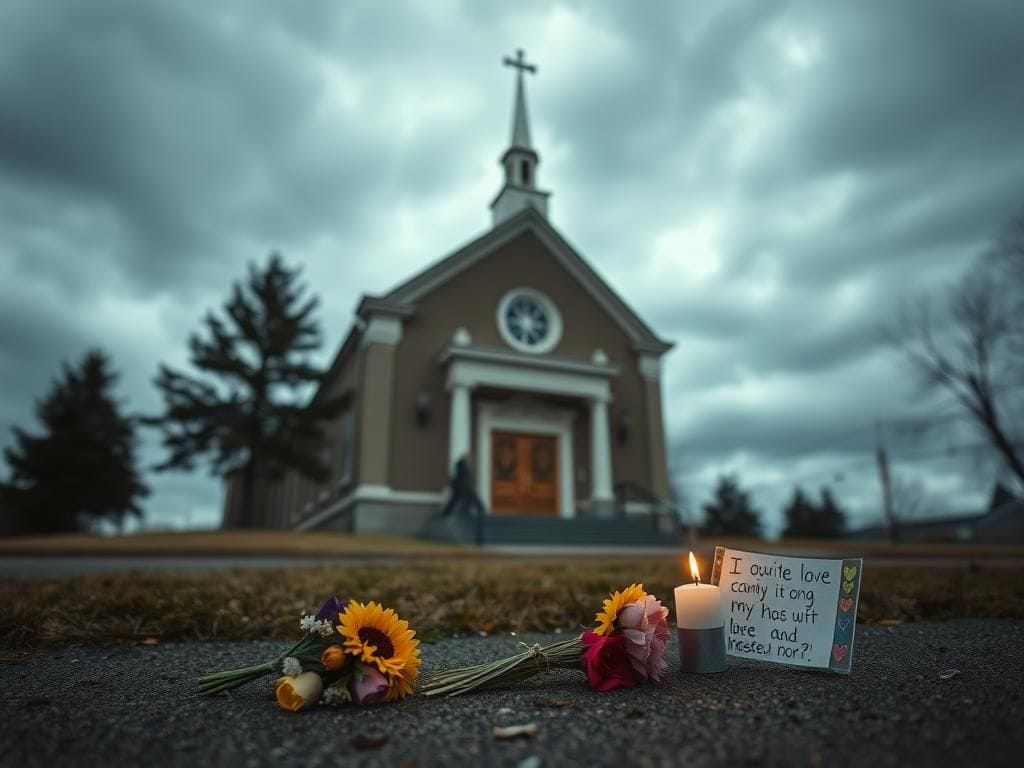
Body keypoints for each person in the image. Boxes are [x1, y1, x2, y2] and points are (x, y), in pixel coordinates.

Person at [442, 452, 485, 519]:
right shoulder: (461, 465)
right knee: (474, 499)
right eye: (468, 457)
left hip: (464, 486)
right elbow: (462, 476)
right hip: (464, 486)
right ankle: (481, 511)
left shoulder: (466, 465)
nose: (469, 458)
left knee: (458, 500)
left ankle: (448, 512)